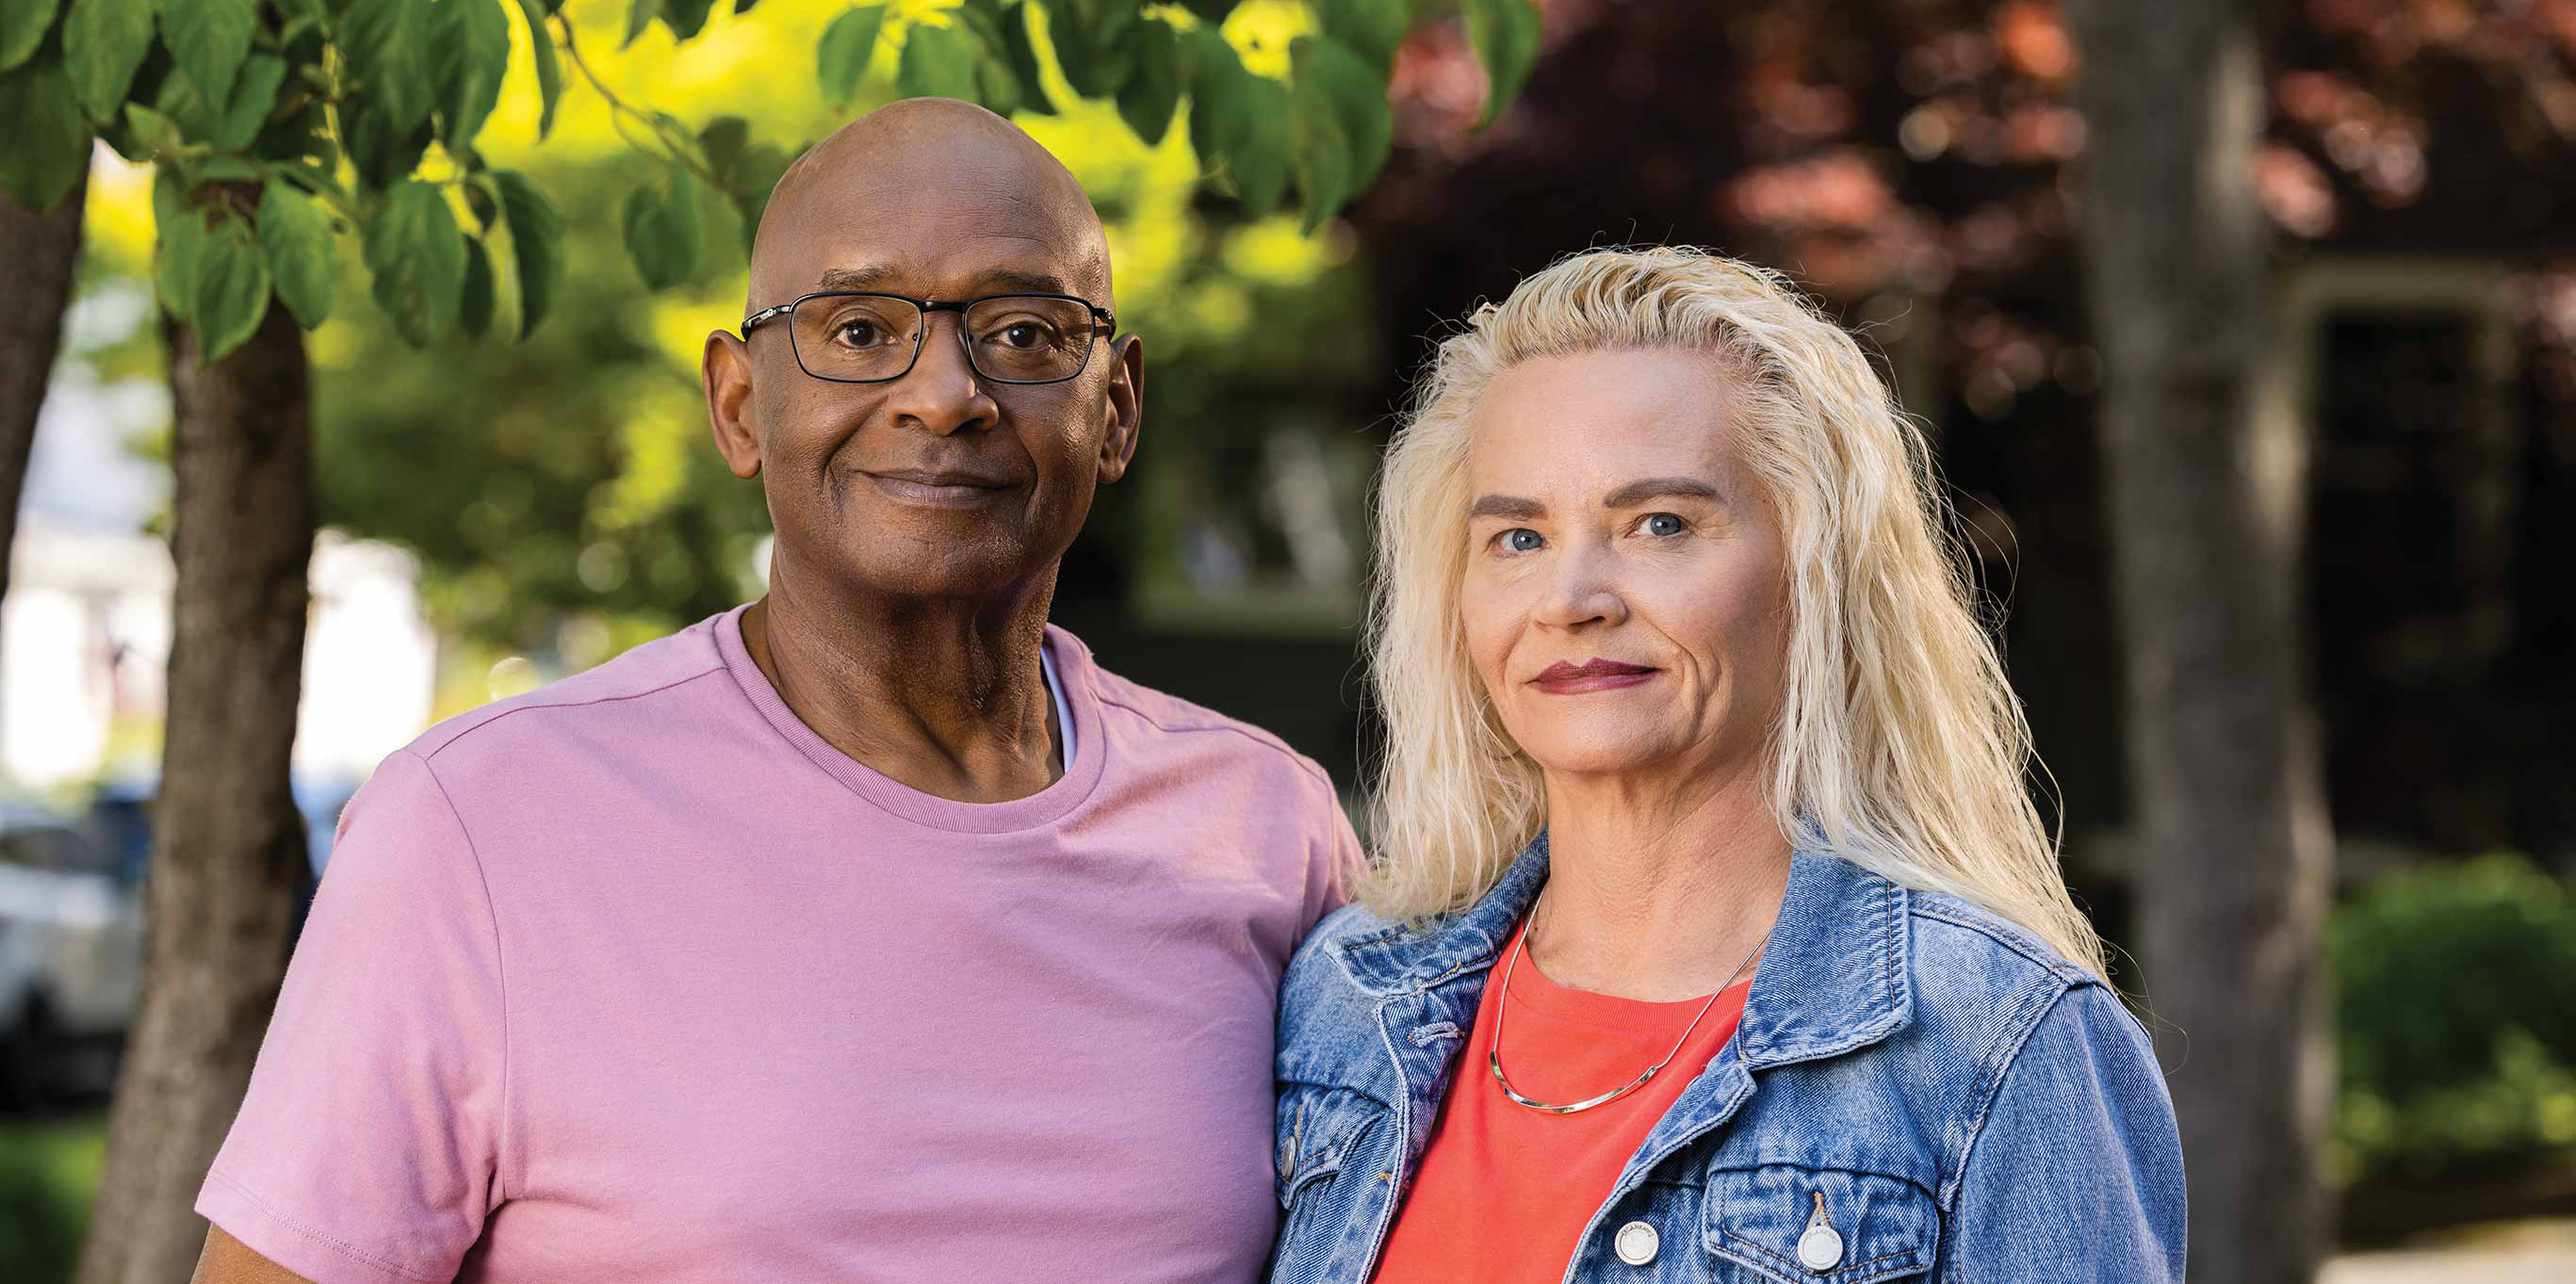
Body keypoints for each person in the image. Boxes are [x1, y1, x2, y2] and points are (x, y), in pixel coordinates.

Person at [189, 99, 1355, 1284]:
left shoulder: (1266, 826)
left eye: (1022, 332)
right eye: (857, 329)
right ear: (740, 406)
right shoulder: (481, 823)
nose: (945, 393)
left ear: (1116, 407)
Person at [1266, 247, 2185, 1282]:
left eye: (1659, 524)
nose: (1571, 598)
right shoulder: (1345, 1002)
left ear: (1812, 573)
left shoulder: (1997, 1042)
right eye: (1517, 538)